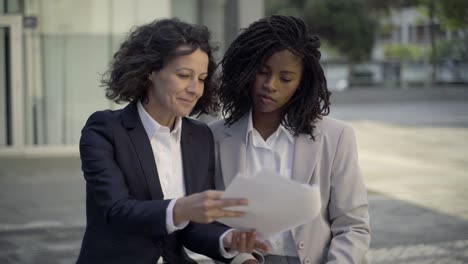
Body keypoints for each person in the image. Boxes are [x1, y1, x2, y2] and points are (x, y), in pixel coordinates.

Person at [77, 18, 267, 264]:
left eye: (201, 78)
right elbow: (117, 212)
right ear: (150, 72)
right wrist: (182, 208)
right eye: (184, 75)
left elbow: (192, 229)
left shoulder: (200, 136)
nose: (195, 89)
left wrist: (229, 240)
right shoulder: (105, 129)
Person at [210, 15, 371, 264]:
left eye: (285, 78)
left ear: (301, 83)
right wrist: (242, 259)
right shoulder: (215, 136)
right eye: (262, 72)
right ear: (246, 71)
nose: (270, 85)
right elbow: (210, 222)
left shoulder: (335, 136)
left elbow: (353, 226)